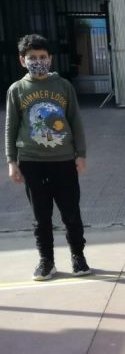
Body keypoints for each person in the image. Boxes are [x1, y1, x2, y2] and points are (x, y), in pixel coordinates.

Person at [5, 34, 90, 281]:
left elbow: (75, 121)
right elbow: (11, 126)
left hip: (63, 160)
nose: (38, 61)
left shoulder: (63, 86)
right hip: (32, 161)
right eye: (32, 57)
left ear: (50, 58)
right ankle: (46, 261)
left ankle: (78, 256)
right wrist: (11, 161)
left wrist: (80, 154)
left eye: (42, 57)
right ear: (22, 60)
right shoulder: (17, 89)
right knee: (41, 216)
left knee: (71, 212)